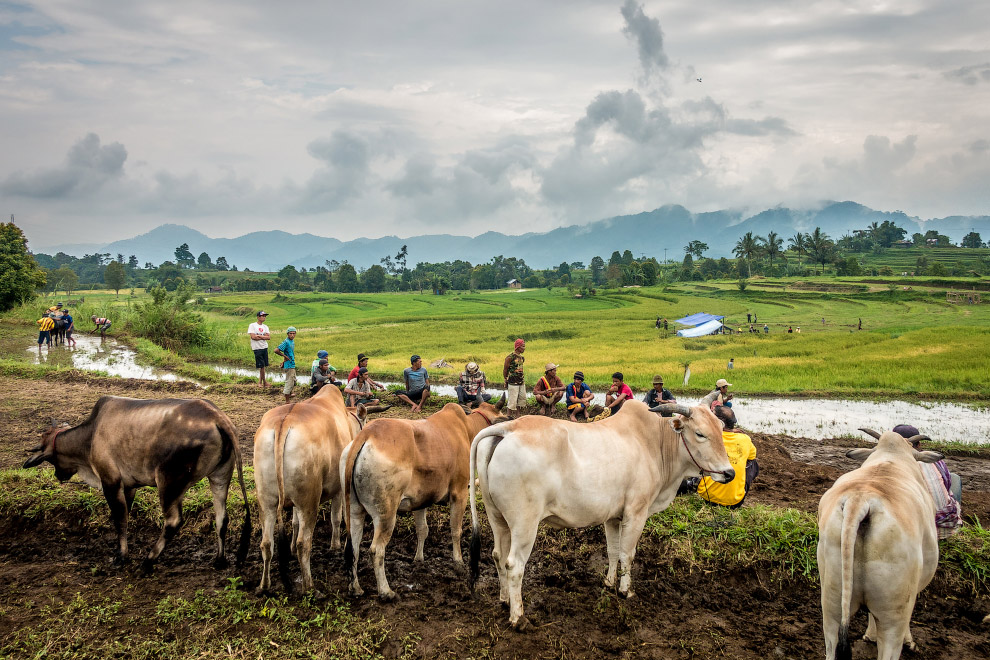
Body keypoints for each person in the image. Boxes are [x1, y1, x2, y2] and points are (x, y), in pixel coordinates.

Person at [892, 424, 962, 538]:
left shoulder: (892, 464)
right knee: (954, 479)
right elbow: (947, 482)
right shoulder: (934, 459)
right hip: (947, 527)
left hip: (913, 531)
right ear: (919, 444)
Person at [696, 406, 758, 509]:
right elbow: (752, 457)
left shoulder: (707, 438)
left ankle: (694, 484)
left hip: (707, 497)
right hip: (735, 502)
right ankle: (736, 490)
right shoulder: (745, 439)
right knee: (753, 464)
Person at [503, 338, 526, 418]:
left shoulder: (522, 358)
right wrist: (505, 379)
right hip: (513, 382)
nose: (524, 348)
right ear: (518, 347)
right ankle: (508, 416)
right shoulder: (510, 357)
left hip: (521, 381)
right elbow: (505, 370)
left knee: (521, 399)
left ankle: (517, 415)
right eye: (523, 346)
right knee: (512, 400)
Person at [248, 311, 271, 388]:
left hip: (264, 347)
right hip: (257, 348)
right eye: (262, 316)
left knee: (263, 366)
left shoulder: (265, 327)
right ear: (258, 317)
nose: (264, 317)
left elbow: (268, 337)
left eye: (265, 316)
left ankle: (260, 382)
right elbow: (253, 337)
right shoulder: (252, 325)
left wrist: (259, 336)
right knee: (261, 365)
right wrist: (263, 336)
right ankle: (264, 382)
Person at [274, 326, 297, 403]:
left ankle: (289, 393)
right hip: (289, 365)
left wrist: (284, 360)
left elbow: (288, 352)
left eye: (294, 333)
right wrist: (284, 356)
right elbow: (276, 350)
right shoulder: (286, 342)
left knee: (293, 380)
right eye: (291, 333)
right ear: (287, 334)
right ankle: (287, 400)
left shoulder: (292, 341)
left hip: (291, 363)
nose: (292, 335)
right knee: (289, 381)